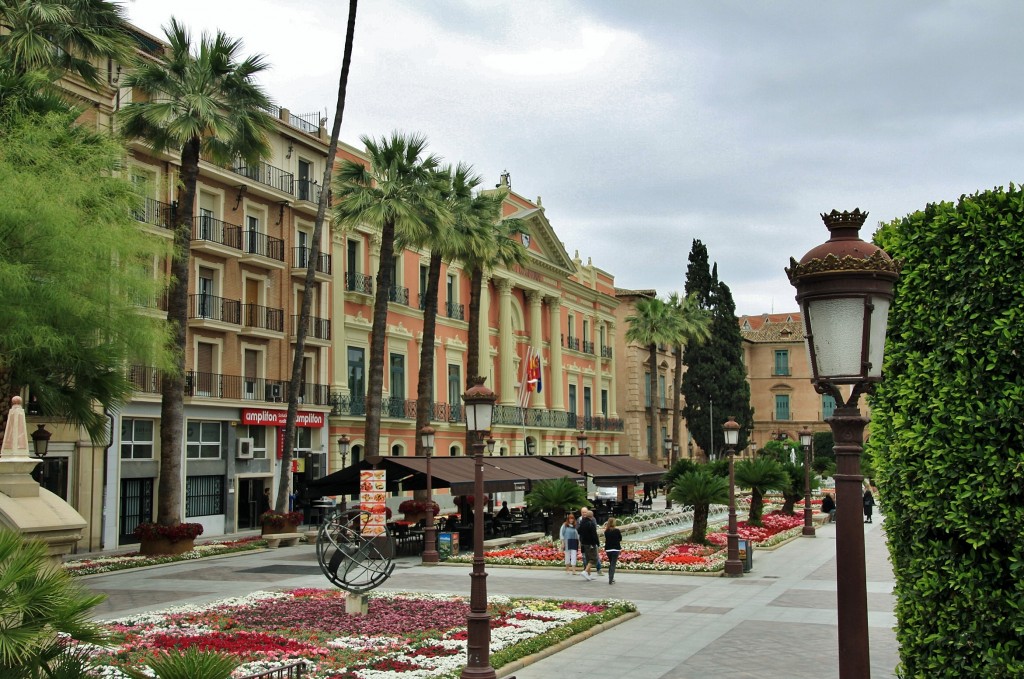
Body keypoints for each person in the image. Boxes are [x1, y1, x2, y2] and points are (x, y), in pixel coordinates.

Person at [578, 507, 601, 581]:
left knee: (587, 558)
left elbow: (579, 531)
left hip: (584, 543)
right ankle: (585, 572)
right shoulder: (591, 523)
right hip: (591, 544)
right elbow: (594, 535)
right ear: (591, 516)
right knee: (594, 558)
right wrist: (597, 543)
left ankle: (589, 574)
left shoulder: (582, 522)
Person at [603, 517, 622, 585]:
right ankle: (611, 579)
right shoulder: (617, 530)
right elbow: (620, 538)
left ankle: (611, 578)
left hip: (608, 549)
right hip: (616, 549)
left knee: (611, 563)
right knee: (613, 564)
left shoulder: (606, 531)